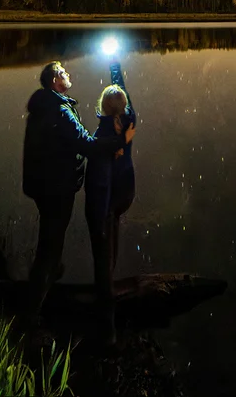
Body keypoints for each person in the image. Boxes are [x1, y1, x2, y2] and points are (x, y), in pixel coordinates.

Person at [22, 60, 134, 323]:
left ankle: (43, 291)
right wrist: (118, 141)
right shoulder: (60, 111)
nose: (67, 74)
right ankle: (30, 314)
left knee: (50, 244)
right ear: (54, 81)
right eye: (63, 73)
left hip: (44, 186)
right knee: (50, 249)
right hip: (57, 188)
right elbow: (85, 144)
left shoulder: (43, 107)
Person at [84, 60, 136, 340]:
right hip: (124, 194)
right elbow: (128, 103)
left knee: (102, 254)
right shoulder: (129, 124)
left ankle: (107, 326)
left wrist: (97, 215)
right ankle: (110, 295)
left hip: (107, 200)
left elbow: (100, 180)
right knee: (112, 245)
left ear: (102, 107)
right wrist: (115, 67)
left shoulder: (102, 136)